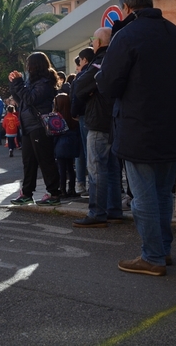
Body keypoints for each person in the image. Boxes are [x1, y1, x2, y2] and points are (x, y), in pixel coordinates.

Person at [96, 0, 176, 276]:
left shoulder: (126, 36)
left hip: (139, 128)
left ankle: (152, 257)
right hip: (173, 128)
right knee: (163, 193)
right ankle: (163, 250)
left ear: (126, 9)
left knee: (144, 197)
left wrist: (101, 76)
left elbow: (110, 85)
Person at [71, 27, 123, 228]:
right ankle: (114, 210)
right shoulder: (115, 59)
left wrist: (89, 91)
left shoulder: (99, 60)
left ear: (99, 42)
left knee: (96, 169)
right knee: (111, 168)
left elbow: (80, 86)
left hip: (99, 120)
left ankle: (97, 213)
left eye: (93, 39)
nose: (92, 42)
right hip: (113, 120)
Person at [9, 52, 61, 206]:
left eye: (28, 64)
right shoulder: (32, 82)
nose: (27, 67)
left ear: (35, 65)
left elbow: (31, 98)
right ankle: (26, 193)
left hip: (39, 126)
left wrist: (18, 83)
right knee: (28, 161)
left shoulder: (45, 82)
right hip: (28, 126)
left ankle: (54, 193)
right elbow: (21, 100)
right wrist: (14, 84)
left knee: (45, 161)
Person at [71, 47, 95, 196]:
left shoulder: (83, 76)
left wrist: (75, 113)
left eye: (79, 61)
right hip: (99, 117)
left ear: (84, 60)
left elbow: (77, 97)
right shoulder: (100, 68)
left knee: (88, 153)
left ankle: (89, 186)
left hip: (86, 117)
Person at [53, 93, 80, 198]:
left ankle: (62, 189)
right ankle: (72, 189)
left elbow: (54, 134)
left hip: (60, 145)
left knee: (62, 169)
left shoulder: (56, 118)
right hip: (71, 144)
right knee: (71, 168)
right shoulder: (73, 117)